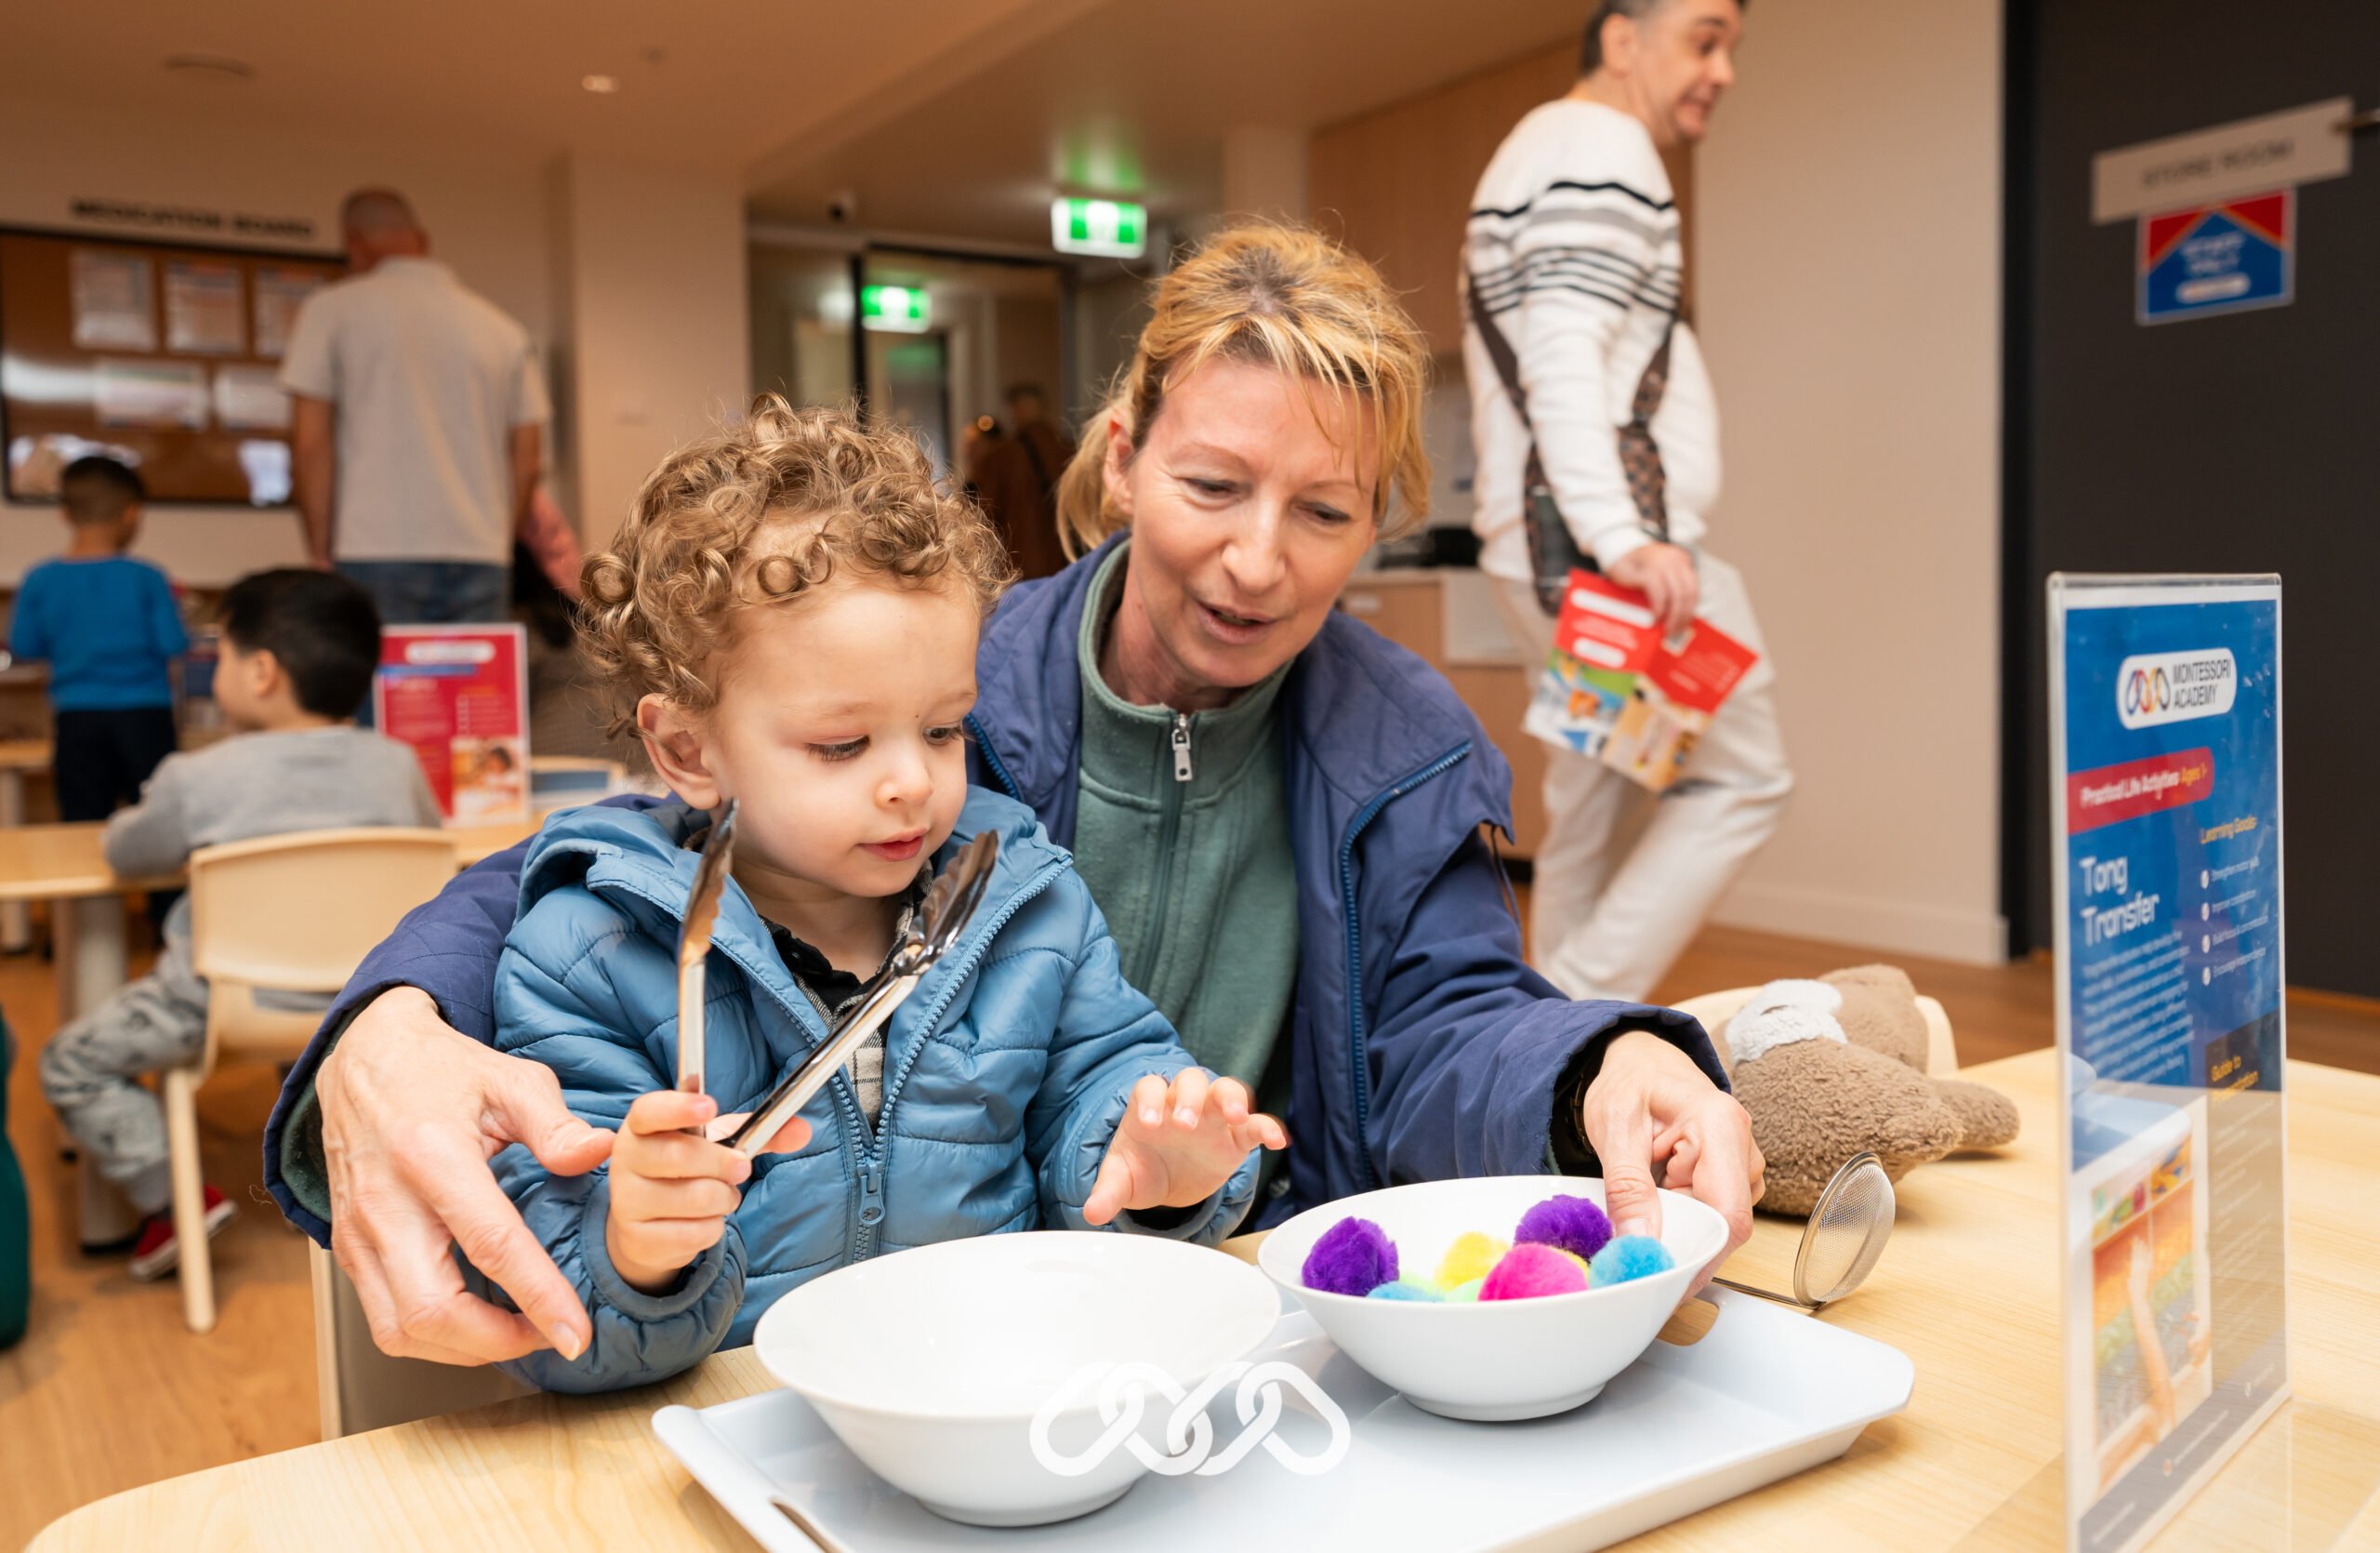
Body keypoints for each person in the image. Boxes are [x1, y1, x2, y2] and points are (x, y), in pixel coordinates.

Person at [263, 223, 1761, 1371]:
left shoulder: (1406, 735)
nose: (1259, 561)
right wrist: (384, 1017)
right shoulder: (956, 681)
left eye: (1324, 511)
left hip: (1210, 1311)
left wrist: (1595, 1065)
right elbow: (610, 871)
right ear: (1123, 460)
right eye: (1214, 487)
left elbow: (1442, 1025)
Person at [467, 401, 1276, 1389]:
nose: (912, 782)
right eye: (842, 744)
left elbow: (1103, 1090)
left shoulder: (1024, 905)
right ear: (686, 747)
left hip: (997, 1398)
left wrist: (1157, 1156)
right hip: (737, 1432)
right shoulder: (589, 952)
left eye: (942, 729)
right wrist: (637, 1246)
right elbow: (555, 1298)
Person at [1463, 0, 1791, 1002]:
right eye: (1703, 37)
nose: (1722, 69)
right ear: (1620, 40)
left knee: (1589, 807)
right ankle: (1570, 1012)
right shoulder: (1598, 147)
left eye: (1729, 45)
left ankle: (1538, 1041)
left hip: (1568, 547)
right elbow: (1564, 355)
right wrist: (1621, 536)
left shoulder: (1550, 147)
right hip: (1606, 556)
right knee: (1743, 775)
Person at [39, 570, 439, 1279]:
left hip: (221, 1003)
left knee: (71, 1061)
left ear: (260, 673)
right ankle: (321, 1182)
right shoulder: (397, 767)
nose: (211, 668)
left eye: (219, 654)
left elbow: (126, 851)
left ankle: (174, 1199)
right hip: (355, 1005)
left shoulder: (198, 777)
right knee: (315, 1041)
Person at [281, 188, 549, 626]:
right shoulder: (503, 329)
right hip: (481, 552)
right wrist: (499, 540)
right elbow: (528, 458)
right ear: (421, 240)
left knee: (387, 692)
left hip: (372, 548)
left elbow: (311, 443)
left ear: (355, 243)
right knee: (473, 693)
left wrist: (319, 549)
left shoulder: (331, 310)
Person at [7, 456, 188, 823]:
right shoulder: (148, 578)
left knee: (83, 820)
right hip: (146, 717)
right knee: (157, 820)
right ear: (131, 514)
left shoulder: (40, 579)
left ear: (65, 514)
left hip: (77, 717)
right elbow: (173, 644)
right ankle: (165, 884)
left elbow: (24, 646)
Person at [972, 382, 1075, 579]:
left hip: (1017, 564)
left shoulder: (1001, 457)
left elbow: (986, 516)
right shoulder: (1067, 451)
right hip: (1064, 561)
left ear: (1014, 409)